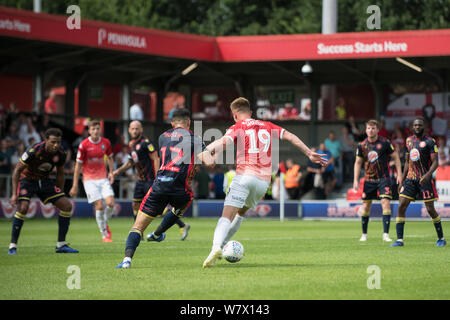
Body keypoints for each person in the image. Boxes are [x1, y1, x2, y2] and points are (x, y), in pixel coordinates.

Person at [202, 97, 327, 268]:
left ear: (235, 115)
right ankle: (222, 246)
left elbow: (223, 142)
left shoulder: (237, 127)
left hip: (244, 176)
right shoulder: (268, 125)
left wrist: (206, 150)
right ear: (251, 113)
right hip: (262, 182)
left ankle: (216, 247)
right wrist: (308, 153)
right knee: (240, 213)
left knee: (226, 216)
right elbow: (290, 136)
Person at [115, 108, 214, 268]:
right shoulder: (194, 138)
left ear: (172, 123)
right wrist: (205, 152)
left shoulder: (162, 137)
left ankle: (126, 261)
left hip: (159, 185)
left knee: (137, 227)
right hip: (180, 189)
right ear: (189, 123)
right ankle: (157, 233)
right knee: (182, 204)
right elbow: (209, 162)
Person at [112, 120, 191, 240]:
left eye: (137, 128)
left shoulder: (146, 143)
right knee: (135, 205)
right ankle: (138, 233)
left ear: (141, 130)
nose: (134, 131)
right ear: (129, 130)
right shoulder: (131, 144)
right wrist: (117, 171)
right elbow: (131, 162)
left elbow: (156, 158)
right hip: (140, 180)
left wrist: (157, 176)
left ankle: (182, 225)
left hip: (150, 179)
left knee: (158, 207)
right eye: (132, 129)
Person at [7, 128, 78, 255]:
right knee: (23, 208)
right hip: (27, 181)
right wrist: (13, 194)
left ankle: (61, 245)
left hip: (44, 181)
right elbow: (17, 170)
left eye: (58, 142)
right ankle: (13, 246)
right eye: (53, 142)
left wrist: (59, 193)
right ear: (46, 140)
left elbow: (60, 174)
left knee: (67, 206)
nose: (56, 145)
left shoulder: (61, 154)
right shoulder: (34, 150)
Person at [391, 117, 446, 247]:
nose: (417, 127)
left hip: (424, 179)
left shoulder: (430, 142)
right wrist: (402, 181)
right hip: (410, 179)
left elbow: (436, 162)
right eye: (415, 125)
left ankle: (441, 238)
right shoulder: (409, 141)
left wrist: (428, 175)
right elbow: (407, 162)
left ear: (424, 127)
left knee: (430, 209)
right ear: (412, 127)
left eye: (419, 125)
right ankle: (399, 240)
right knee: (401, 206)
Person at [353, 119, 402, 243]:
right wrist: (355, 179)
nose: (371, 130)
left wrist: (399, 174)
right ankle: (364, 234)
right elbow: (358, 163)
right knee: (366, 206)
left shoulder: (385, 143)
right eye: (369, 128)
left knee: (385, 203)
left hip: (383, 179)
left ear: (377, 130)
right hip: (369, 180)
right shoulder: (362, 145)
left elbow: (396, 157)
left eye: (373, 128)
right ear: (366, 130)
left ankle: (385, 234)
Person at [69, 120, 115, 243]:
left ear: (100, 130)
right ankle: (105, 235)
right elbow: (78, 166)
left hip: (103, 178)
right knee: (99, 206)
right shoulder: (83, 145)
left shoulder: (106, 143)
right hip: (89, 180)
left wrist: (111, 172)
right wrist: (74, 185)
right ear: (89, 131)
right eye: (93, 129)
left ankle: (104, 223)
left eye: (97, 129)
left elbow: (110, 158)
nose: (95, 131)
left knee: (110, 203)